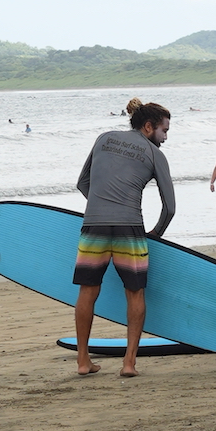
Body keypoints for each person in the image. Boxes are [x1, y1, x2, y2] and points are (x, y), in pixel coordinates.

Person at [73, 98, 175, 379]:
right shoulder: (156, 156)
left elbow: (83, 183)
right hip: (130, 229)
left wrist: (101, 204)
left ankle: (83, 361)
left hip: (93, 225)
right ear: (148, 126)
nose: (165, 137)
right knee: (135, 293)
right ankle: (129, 363)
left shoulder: (103, 138)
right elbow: (170, 207)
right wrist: (156, 234)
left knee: (88, 291)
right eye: (164, 131)